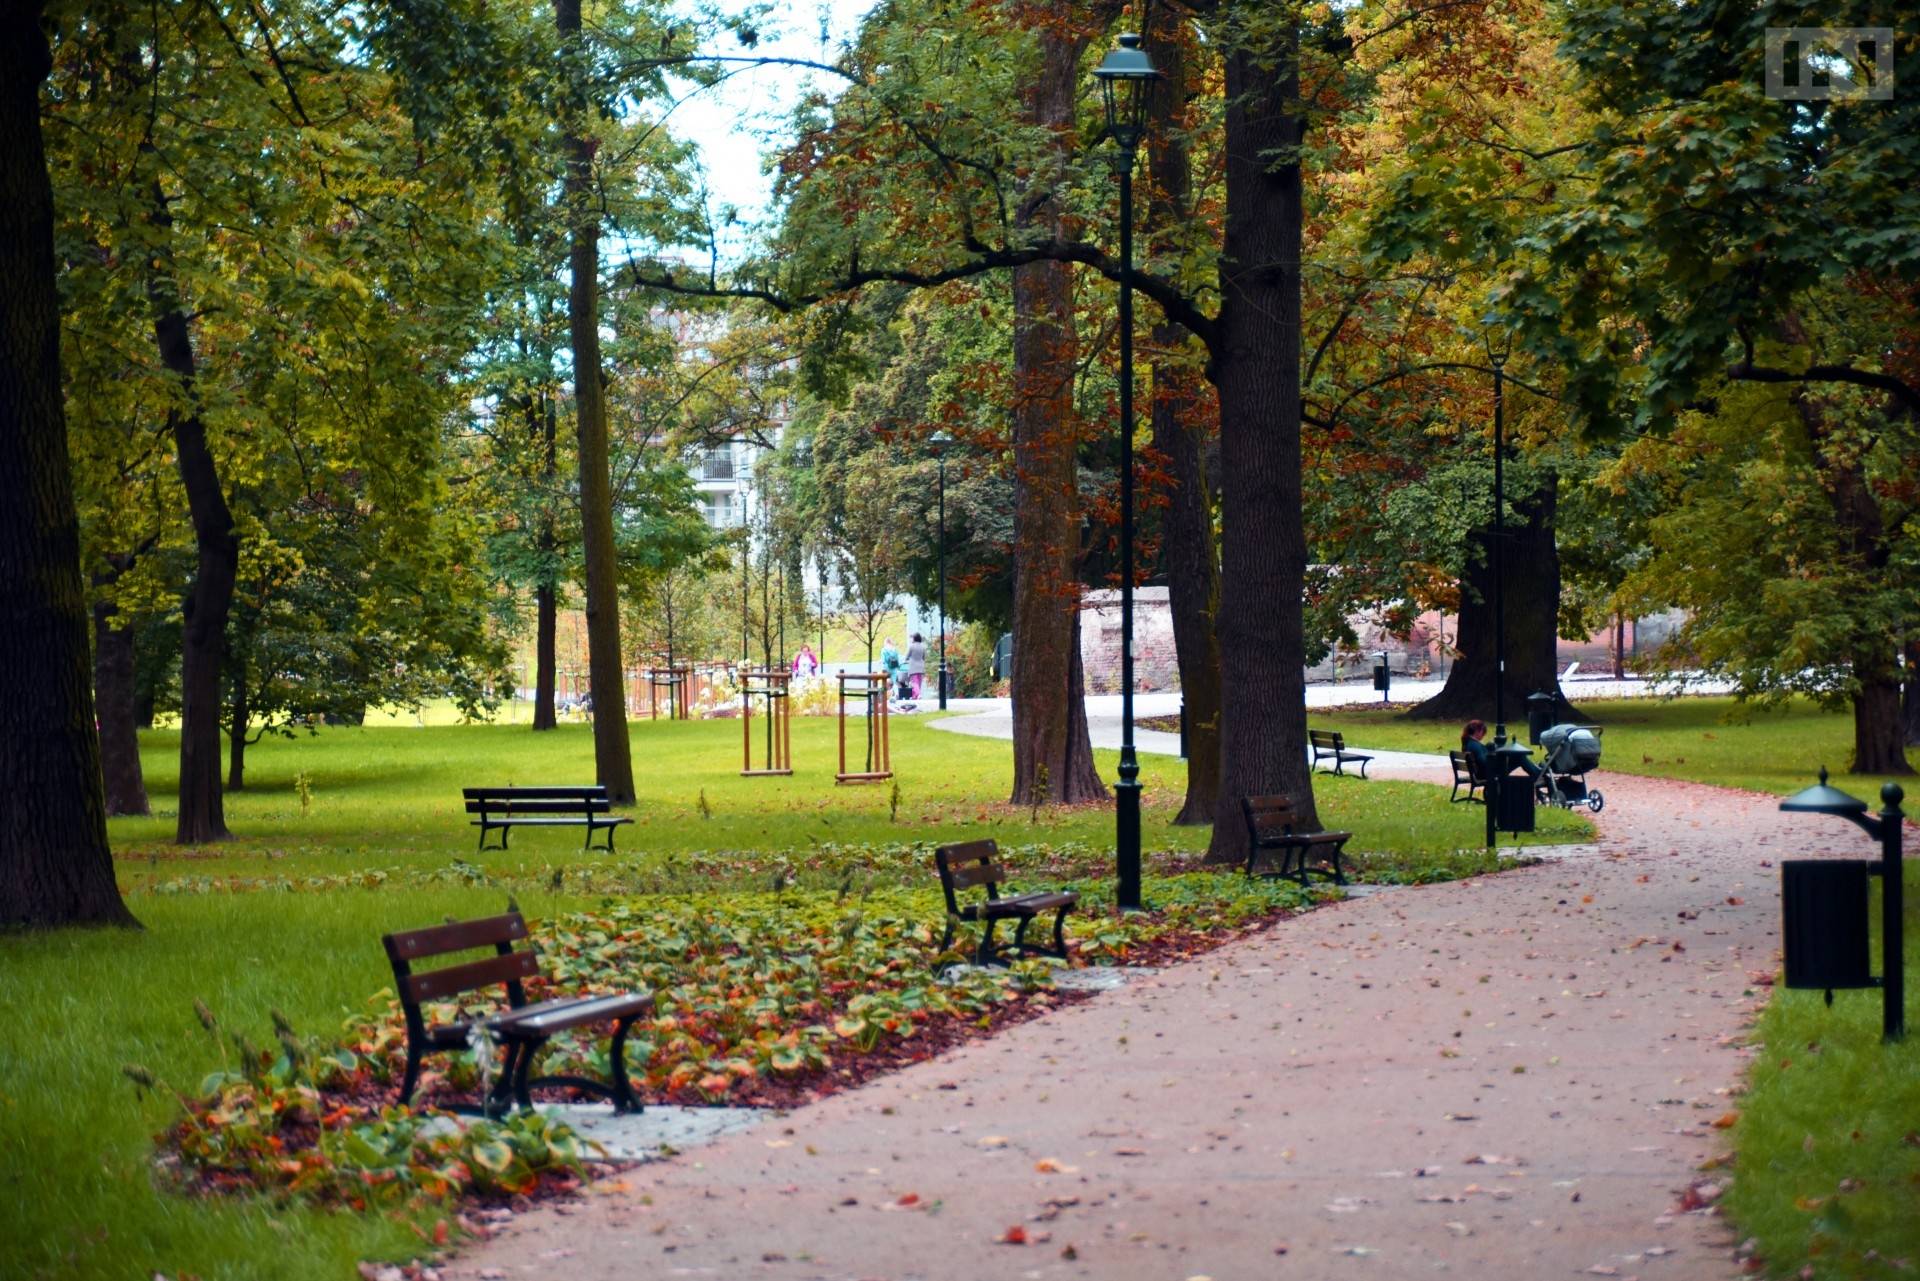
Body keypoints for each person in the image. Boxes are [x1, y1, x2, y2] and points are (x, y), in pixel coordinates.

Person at [1461, 718, 1540, 781]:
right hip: (1489, 773)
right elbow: (1484, 762)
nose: (1483, 736)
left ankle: (1537, 772)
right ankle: (1538, 774)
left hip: (1482, 772)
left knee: (1517, 757)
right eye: (1483, 733)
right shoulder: (1475, 745)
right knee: (1519, 757)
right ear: (1479, 731)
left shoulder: (1469, 743)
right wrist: (1496, 756)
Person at [905, 632, 927, 700]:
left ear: (914, 638)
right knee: (919, 682)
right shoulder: (923, 647)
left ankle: (919, 694)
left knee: (914, 682)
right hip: (921, 666)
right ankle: (915, 696)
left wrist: (906, 660)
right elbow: (924, 657)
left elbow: (907, 656)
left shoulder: (911, 646)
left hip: (913, 667)